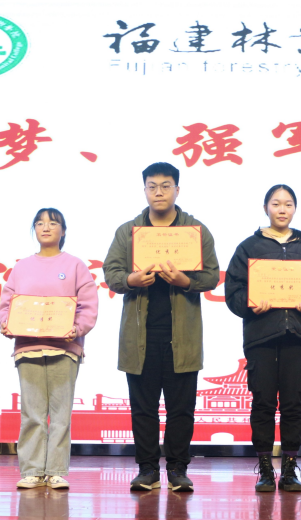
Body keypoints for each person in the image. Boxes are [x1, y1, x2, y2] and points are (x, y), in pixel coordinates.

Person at [104, 162, 219, 492]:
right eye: (152, 186)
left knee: (181, 410)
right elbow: (111, 273)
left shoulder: (196, 231)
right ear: (144, 190)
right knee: (143, 409)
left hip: (182, 337)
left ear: (177, 190)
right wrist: (131, 279)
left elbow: (212, 275)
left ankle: (178, 470)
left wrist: (186, 281)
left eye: (166, 186)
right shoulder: (128, 232)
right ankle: (148, 470)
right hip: (139, 336)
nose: (159, 192)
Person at [225, 184, 301, 492]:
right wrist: (251, 303)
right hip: (261, 336)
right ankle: (264, 469)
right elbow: (233, 291)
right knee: (261, 403)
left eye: (288, 204)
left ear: (295, 209)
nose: (282, 209)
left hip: (297, 336)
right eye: (276, 203)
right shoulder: (249, 247)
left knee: (293, 403)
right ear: (266, 208)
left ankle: (289, 469)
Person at [0, 208, 98, 489]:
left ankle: (55, 471)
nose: (46, 227)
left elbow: (88, 305)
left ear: (63, 231)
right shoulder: (21, 267)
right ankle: (31, 470)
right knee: (32, 413)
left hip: (64, 349)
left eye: (53, 223)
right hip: (28, 348)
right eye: (40, 223)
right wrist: (6, 323)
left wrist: (77, 329)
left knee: (61, 414)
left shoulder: (76, 266)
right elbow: (7, 303)